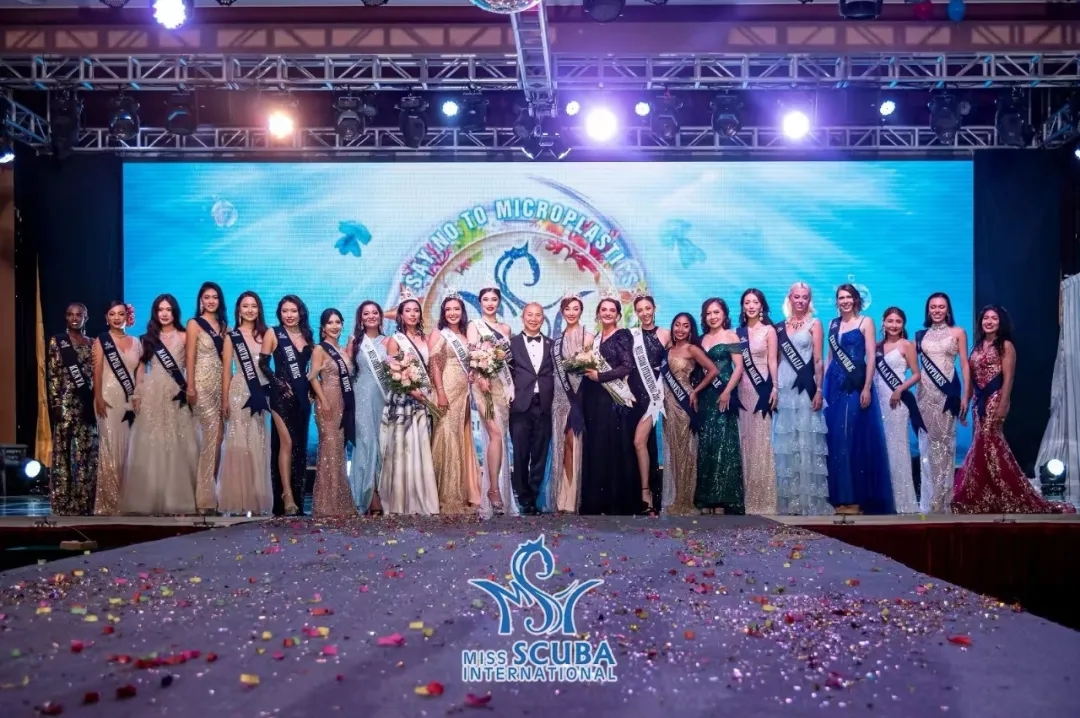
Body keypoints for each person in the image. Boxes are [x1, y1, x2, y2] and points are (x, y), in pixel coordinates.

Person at [952, 306, 1075, 514]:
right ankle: (986, 494)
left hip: (995, 398)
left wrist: (1003, 403)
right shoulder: (977, 346)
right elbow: (972, 377)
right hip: (978, 402)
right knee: (983, 445)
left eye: (994, 318)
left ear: (1001, 322)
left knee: (990, 442)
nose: (989, 322)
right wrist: (968, 400)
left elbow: (1008, 379)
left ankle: (1008, 490)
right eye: (986, 318)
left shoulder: (1006, 345)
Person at [122, 294, 199, 515]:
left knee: (178, 442)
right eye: (160, 310)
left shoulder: (185, 336)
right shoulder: (148, 339)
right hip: (153, 392)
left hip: (177, 392)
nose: (164, 314)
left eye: (168, 309)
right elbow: (140, 369)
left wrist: (190, 388)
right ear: (155, 313)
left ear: (175, 312)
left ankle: (177, 498)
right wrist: (137, 394)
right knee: (152, 443)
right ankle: (149, 498)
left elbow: (191, 365)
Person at [822, 283, 895, 515]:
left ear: (855, 299)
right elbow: (829, 357)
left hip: (855, 382)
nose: (845, 301)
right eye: (841, 298)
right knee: (834, 438)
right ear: (837, 301)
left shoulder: (866, 322)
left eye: (849, 297)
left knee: (850, 436)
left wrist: (866, 387)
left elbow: (871, 357)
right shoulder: (833, 324)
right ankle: (837, 497)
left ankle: (854, 497)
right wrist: (823, 387)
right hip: (834, 384)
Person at [580, 293, 641, 515]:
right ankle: (597, 501)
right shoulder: (595, 338)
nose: (607, 313)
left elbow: (627, 366)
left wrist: (600, 376)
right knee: (597, 447)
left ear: (618, 315)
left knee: (613, 447)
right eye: (603, 310)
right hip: (594, 400)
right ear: (598, 313)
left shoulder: (622, 336)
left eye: (612, 310)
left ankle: (616, 501)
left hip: (613, 400)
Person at [772, 282, 830, 516]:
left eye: (804, 297)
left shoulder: (815, 324)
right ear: (790, 298)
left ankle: (807, 499)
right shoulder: (780, 327)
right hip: (785, 384)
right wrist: (774, 387)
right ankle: (788, 499)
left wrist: (819, 389)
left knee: (805, 437)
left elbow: (818, 359)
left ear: (809, 300)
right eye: (796, 297)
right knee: (787, 439)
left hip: (805, 385)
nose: (800, 301)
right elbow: (776, 360)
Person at [379, 293, 440, 515]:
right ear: (401, 315)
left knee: (421, 446)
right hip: (403, 401)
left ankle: (423, 498)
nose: (413, 314)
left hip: (424, 399)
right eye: (408, 311)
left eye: (416, 311)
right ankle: (402, 500)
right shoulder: (396, 340)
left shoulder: (426, 339)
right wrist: (412, 390)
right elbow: (392, 372)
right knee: (404, 448)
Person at [218, 291, 273, 515]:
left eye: (254, 306)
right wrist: (224, 400)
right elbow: (226, 371)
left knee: (258, 442)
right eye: (245, 306)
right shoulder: (232, 336)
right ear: (238, 310)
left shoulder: (267, 334)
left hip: (261, 392)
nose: (250, 310)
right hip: (239, 391)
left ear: (259, 309)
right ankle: (239, 500)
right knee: (239, 442)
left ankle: (257, 499)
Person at [259, 295, 313, 516]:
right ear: (279, 314)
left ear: (301, 313)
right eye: (285, 311)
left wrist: (311, 390)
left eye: (293, 311)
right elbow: (263, 364)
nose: (289, 315)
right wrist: (279, 384)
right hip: (280, 396)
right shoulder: (274, 333)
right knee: (286, 443)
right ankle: (286, 494)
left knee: (299, 447)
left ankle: (298, 495)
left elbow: (310, 368)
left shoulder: (308, 335)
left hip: (302, 398)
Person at [915, 292, 970, 513]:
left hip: (947, 395)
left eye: (941, 307)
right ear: (928, 310)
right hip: (924, 396)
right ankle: (929, 499)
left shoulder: (958, 332)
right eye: (933, 307)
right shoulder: (921, 335)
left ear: (948, 310)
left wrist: (966, 395)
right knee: (928, 447)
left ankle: (942, 499)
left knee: (944, 447)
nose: (937, 310)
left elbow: (964, 364)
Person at [428, 294, 482, 515]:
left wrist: (472, 374)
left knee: (460, 438)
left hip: (463, 394)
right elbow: (434, 365)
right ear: (443, 312)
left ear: (462, 311)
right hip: (446, 391)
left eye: (456, 309)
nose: (452, 313)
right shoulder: (439, 333)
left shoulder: (466, 335)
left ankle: (462, 490)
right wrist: (440, 392)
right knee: (446, 436)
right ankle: (444, 494)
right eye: (448, 309)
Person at [661, 312, 717, 515]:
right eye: (677, 325)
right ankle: (677, 498)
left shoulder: (692, 349)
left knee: (686, 452)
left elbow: (712, 370)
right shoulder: (668, 350)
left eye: (685, 326)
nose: (680, 329)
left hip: (684, 404)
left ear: (691, 329)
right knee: (674, 452)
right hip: (667, 406)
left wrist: (695, 391)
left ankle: (686, 501)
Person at [466, 287, 515, 516]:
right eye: (485, 299)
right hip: (482, 386)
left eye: (494, 299)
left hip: (501, 387)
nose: (490, 303)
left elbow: (509, 362)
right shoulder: (474, 325)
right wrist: (481, 377)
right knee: (494, 433)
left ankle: (500, 489)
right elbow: (473, 354)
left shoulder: (505, 329)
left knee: (500, 437)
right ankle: (493, 490)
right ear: (480, 302)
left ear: (499, 302)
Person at [47, 302, 98, 515]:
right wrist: (56, 403)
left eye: (79, 314)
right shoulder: (58, 341)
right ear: (66, 318)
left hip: (87, 403)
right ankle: (64, 501)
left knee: (87, 452)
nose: (74, 318)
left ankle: (85, 501)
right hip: (66, 402)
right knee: (65, 452)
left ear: (86, 317)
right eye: (70, 314)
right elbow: (53, 374)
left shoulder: (93, 343)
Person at [695, 298, 745, 514]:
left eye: (716, 312)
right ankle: (706, 499)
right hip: (705, 396)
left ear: (724, 314)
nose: (712, 317)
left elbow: (739, 367)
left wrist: (727, 392)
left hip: (723, 394)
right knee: (707, 443)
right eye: (708, 313)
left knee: (724, 444)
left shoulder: (732, 336)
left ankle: (723, 499)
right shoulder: (700, 339)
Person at [544, 294, 592, 514]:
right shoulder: (557, 341)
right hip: (559, 397)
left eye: (575, 308)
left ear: (581, 311)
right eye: (567, 309)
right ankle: (561, 495)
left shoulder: (588, 336)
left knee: (574, 442)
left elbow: (592, 369)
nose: (571, 313)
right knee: (562, 444)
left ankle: (573, 497)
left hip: (579, 397)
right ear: (562, 312)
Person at [309, 308, 359, 518]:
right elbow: (312, 377)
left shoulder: (342, 350)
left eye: (338, 322)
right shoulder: (320, 349)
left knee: (338, 452)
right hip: (327, 402)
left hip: (342, 403)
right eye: (330, 322)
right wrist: (323, 401)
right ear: (323, 327)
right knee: (329, 451)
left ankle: (340, 502)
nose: (334, 326)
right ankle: (326, 504)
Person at [92, 301, 140, 516]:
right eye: (112, 314)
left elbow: (139, 372)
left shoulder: (136, 342)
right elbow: (97, 370)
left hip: (130, 401)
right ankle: (110, 503)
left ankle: (128, 501)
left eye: (121, 314)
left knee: (129, 449)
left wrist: (138, 396)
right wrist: (98, 397)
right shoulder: (101, 340)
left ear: (127, 317)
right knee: (111, 447)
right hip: (108, 398)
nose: (117, 318)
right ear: (106, 318)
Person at [874, 307, 922, 514]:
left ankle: (902, 501)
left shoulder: (907, 345)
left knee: (897, 449)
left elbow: (917, 374)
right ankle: (882, 498)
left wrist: (899, 389)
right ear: (883, 323)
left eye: (898, 321)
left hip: (897, 402)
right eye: (890, 321)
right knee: (881, 449)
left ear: (903, 324)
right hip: (878, 403)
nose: (894, 325)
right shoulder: (876, 347)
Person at [508, 302, 555, 515]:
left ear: (543, 319)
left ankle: (534, 497)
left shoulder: (552, 344)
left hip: (544, 404)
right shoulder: (511, 343)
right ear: (522, 317)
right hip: (520, 405)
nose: (533, 319)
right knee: (520, 454)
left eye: (538, 315)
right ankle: (523, 497)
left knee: (540, 454)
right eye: (530, 315)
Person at [185, 281, 227, 516]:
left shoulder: (224, 326)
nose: (211, 301)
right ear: (201, 300)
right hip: (200, 386)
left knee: (218, 438)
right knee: (209, 439)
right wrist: (190, 386)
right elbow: (189, 356)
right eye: (207, 297)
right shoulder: (194, 324)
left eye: (215, 297)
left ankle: (211, 493)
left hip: (219, 386)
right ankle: (204, 498)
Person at [736, 288, 779, 515]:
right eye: (747, 302)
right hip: (742, 391)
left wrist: (775, 387)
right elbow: (734, 364)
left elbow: (773, 361)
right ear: (743, 306)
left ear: (761, 305)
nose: (751, 306)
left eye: (755, 302)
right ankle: (746, 498)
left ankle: (764, 499)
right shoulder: (737, 333)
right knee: (745, 441)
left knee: (762, 442)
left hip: (762, 389)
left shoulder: (769, 330)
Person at [629, 295, 668, 515]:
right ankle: (637, 493)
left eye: (648, 308)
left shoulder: (666, 334)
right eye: (640, 310)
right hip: (634, 396)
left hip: (654, 397)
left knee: (640, 442)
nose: (644, 313)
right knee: (637, 445)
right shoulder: (631, 335)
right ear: (636, 312)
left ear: (654, 308)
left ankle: (647, 492)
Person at [348, 301, 388, 515]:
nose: (371, 316)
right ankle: (367, 495)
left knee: (382, 445)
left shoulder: (389, 341)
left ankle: (381, 492)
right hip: (361, 398)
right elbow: (347, 369)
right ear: (360, 318)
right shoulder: (355, 341)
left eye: (375, 312)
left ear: (380, 316)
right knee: (366, 442)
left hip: (383, 399)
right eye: (366, 313)